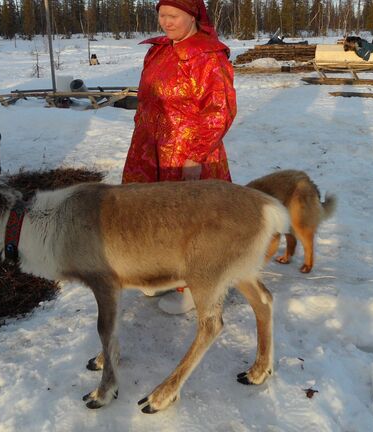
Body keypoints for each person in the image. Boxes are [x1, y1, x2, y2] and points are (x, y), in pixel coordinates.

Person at [121, 0, 237, 314]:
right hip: (150, 149)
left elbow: (220, 110)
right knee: (153, 217)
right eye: (162, 15)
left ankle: (197, 289)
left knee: (191, 223)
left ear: (193, 16)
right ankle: (163, 274)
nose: (166, 22)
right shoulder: (159, 49)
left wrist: (196, 155)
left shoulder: (207, 56)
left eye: (173, 16)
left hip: (188, 151)